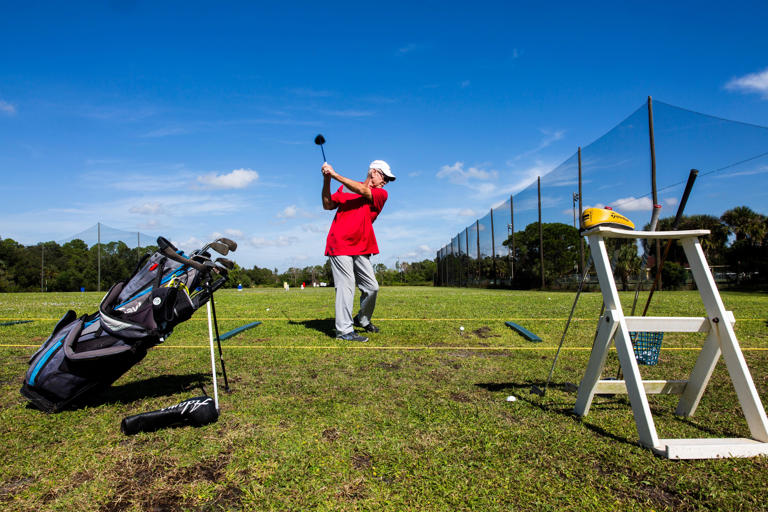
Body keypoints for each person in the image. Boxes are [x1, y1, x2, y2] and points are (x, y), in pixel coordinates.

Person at [322, 159, 396, 342]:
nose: (386, 181)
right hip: (339, 243)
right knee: (346, 286)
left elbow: (363, 190)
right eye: (384, 176)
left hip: (362, 246)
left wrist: (335, 174)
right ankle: (344, 331)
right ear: (374, 172)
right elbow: (327, 205)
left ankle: (362, 319)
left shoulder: (381, 194)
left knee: (372, 288)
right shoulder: (346, 188)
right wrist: (327, 180)